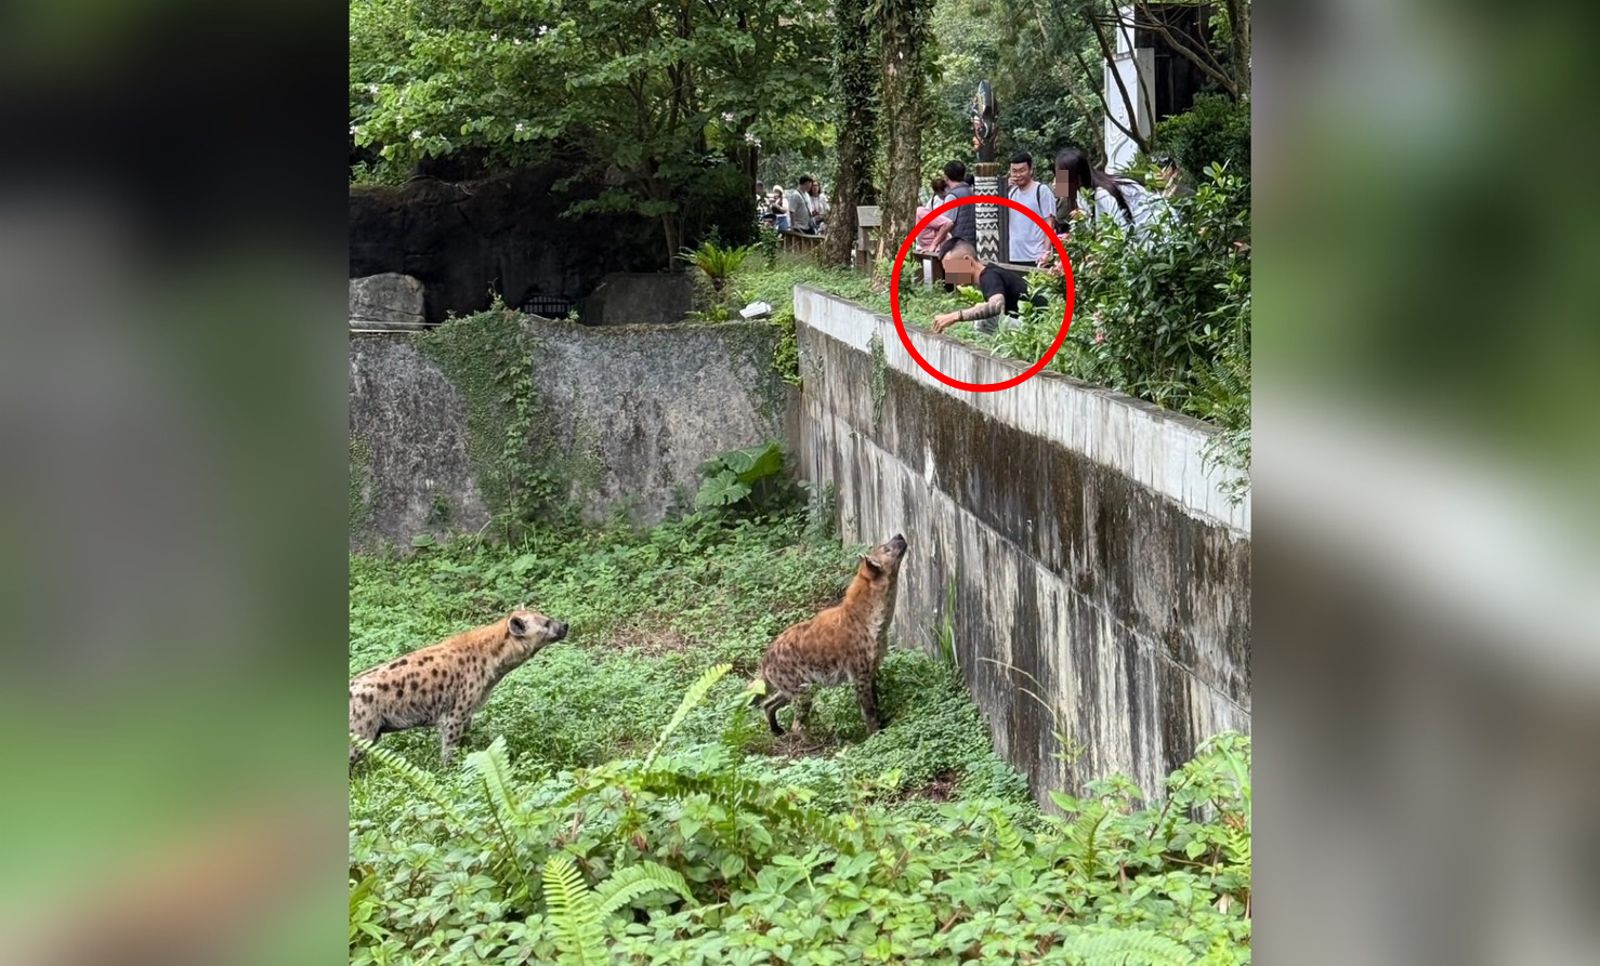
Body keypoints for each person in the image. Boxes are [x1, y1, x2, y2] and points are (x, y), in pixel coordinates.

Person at [931, 240, 1044, 334]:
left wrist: (955, 316)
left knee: (984, 320)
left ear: (967, 261)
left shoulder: (990, 276)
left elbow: (996, 306)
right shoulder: (990, 274)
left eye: (952, 269)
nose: (950, 276)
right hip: (1032, 325)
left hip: (1041, 327)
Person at [1005, 151, 1057, 266]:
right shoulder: (1011, 192)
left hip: (1035, 256)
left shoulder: (1042, 191)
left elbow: (1049, 223)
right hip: (1013, 256)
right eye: (1014, 171)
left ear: (1031, 170)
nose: (1018, 175)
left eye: (1022, 170)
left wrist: (1046, 253)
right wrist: (1003, 189)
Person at [936, 160, 976, 256]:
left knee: (957, 270)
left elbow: (946, 224)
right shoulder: (971, 192)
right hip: (973, 245)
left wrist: (934, 243)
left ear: (946, 177)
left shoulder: (952, 196)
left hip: (958, 247)